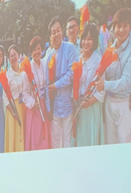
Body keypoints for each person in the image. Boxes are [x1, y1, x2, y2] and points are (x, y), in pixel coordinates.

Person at [96, 7, 131, 144]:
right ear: (113, 28)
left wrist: (104, 85)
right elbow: (103, 73)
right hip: (109, 104)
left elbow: (126, 82)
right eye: (118, 26)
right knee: (111, 145)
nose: (121, 30)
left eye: (125, 25)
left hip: (124, 105)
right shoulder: (109, 49)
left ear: (130, 27)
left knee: (125, 145)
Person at [46, 16, 78, 148]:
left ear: (62, 31)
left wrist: (56, 85)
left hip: (68, 106)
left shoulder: (70, 48)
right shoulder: (49, 55)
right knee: (56, 142)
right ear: (50, 36)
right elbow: (46, 83)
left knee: (67, 141)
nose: (56, 34)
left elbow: (72, 74)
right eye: (53, 32)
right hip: (55, 108)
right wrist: (48, 108)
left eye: (58, 30)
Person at [74, 23, 104, 147]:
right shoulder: (78, 60)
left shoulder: (98, 61)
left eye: (90, 39)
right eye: (84, 39)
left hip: (92, 108)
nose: (86, 42)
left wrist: (89, 102)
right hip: (80, 108)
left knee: (91, 141)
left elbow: (101, 89)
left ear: (94, 41)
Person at [26, 36, 52, 150]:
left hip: (44, 105)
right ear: (31, 52)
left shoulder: (45, 64)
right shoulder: (28, 68)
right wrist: (33, 103)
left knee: (45, 136)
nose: (37, 52)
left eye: (39, 48)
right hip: (35, 108)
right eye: (34, 49)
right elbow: (25, 93)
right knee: (36, 137)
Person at [4, 45, 31, 152]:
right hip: (13, 109)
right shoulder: (7, 75)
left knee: (22, 133)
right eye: (11, 56)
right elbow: (5, 97)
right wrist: (12, 111)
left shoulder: (23, 70)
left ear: (19, 55)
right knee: (14, 135)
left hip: (23, 107)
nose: (13, 58)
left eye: (14, 55)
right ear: (8, 58)